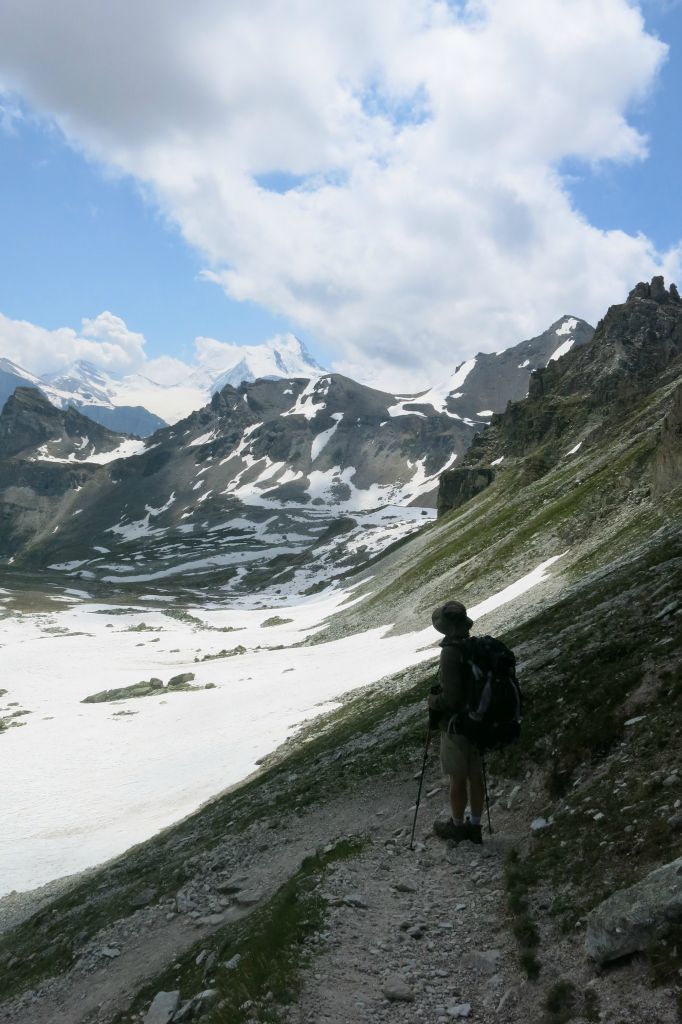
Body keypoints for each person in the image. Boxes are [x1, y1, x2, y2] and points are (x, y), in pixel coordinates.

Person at [427, 601, 484, 844]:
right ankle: (476, 826)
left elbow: (452, 697)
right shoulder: (475, 647)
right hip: (479, 722)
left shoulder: (450, 652)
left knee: (457, 778)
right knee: (476, 776)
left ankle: (458, 826)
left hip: (456, 726)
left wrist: (433, 700)